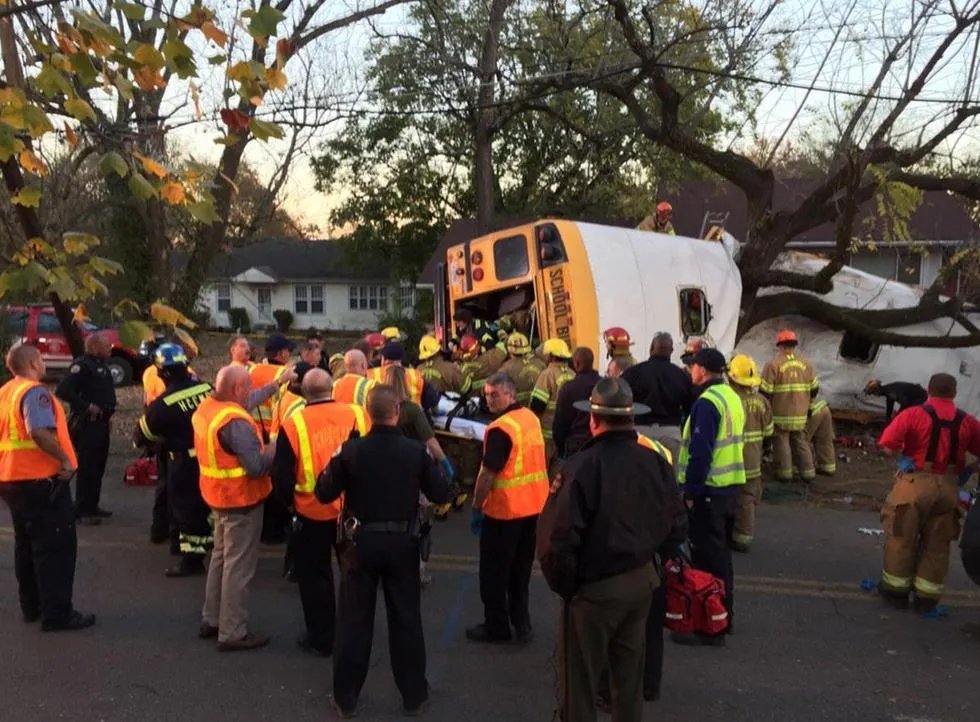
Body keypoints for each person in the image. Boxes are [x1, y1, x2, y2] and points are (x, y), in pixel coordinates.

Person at [538, 377, 686, 722]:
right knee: (628, 682)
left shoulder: (581, 466)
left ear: (593, 420)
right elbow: (677, 525)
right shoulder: (656, 462)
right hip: (641, 583)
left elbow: (556, 541)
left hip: (594, 590)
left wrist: (568, 587)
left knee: (579, 686)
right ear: (631, 418)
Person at [315, 385, 449, 717]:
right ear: (397, 412)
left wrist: (337, 459)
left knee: (353, 622)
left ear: (367, 411)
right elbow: (441, 492)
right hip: (403, 544)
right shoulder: (415, 451)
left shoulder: (351, 450)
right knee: (406, 619)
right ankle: (414, 696)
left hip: (359, 544)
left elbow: (323, 492)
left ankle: (345, 698)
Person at [272, 368, 368, 657]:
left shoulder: (294, 424)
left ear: (304, 392)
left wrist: (289, 506)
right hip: (352, 511)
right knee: (354, 575)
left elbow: (282, 475)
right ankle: (356, 635)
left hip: (311, 512)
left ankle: (322, 639)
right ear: (332, 389)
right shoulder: (358, 414)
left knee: (315, 578)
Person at [0, 344, 94, 632]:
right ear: (32, 363)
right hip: (40, 480)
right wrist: (65, 459)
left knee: (26, 545)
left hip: (12, 479)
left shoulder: (5, 392)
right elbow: (38, 431)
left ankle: (32, 607)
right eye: (40, 359)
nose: (43, 364)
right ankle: (57, 613)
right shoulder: (34, 393)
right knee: (55, 547)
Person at [876, 373, 980, 613]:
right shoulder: (968, 421)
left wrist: (904, 457)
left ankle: (896, 593)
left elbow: (887, 445)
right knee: (938, 543)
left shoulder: (913, 414)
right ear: (954, 393)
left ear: (929, 391)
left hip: (915, 483)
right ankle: (927, 599)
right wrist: (970, 468)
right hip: (949, 488)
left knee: (901, 537)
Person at [193, 365, 275, 651]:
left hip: (217, 497)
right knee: (238, 568)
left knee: (220, 558)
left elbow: (245, 403)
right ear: (237, 389)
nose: (250, 393)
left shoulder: (208, 408)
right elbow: (255, 467)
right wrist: (272, 448)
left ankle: (212, 618)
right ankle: (232, 631)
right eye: (248, 387)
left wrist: (275, 386)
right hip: (241, 501)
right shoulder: (237, 423)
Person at [467, 372, 549, 644]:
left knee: (494, 573)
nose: (489, 400)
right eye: (487, 395)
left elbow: (487, 474)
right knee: (520, 571)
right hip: (532, 509)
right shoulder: (530, 418)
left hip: (504, 512)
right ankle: (521, 622)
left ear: (511, 394)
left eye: (495, 395)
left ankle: (497, 626)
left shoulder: (500, 429)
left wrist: (477, 506)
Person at [675, 348, 745, 645]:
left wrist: (690, 491)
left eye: (693, 366)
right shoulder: (732, 397)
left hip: (708, 492)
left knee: (706, 562)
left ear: (702, 370)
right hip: (729, 489)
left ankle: (710, 627)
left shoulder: (707, 403)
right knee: (721, 558)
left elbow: (700, 453)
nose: (690, 370)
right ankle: (724, 617)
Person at [134, 344, 213, 577]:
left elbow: (140, 437)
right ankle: (211, 546)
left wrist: (161, 442)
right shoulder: (208, 389)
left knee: (187, 511)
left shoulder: (162, 405)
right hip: (212, 459)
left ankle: (192, 561)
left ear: (162, 372)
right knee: (208, 506)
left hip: (184, 464)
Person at [55, 332, 116, 524]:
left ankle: (92, 505)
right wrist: (86, 406)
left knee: (98, 466)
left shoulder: (102, 366)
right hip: (87, 424)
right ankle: (82, 510)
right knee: (88, 467)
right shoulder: (81, 366)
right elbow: (63, 390)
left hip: (101, 423)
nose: (110, 348)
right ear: (95, 347)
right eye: (106, 345)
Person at [622, 331, 694, 461]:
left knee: (640, 471)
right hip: (670, 432)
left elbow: (621, 400)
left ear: (651, 348)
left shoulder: (632, 373)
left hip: (640, 432)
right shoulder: (681, 375)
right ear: (671, 351)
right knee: (670, 472)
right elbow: (690, 407)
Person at [727, 354, 773, 554]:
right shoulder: (762, 402)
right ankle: (742, 536)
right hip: (753, 461)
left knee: (732, 499)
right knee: (746, 499)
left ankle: (738, 538)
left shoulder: (730, 401)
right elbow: (769, 433)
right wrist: (764, 453)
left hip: (730, 462)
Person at [761, 329, 818, 482]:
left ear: (780, 346)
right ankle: (808, 473)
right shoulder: (806, 364)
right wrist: (807, 406)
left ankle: (784, 474)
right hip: (801, 414)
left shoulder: (773, 365)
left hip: (781, 414)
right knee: (800, 441)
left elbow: (765, 392)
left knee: (781, 441)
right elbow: (815, 389)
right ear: (794, 345)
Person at [529, 338, 575, 474]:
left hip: (548, 433)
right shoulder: (572, 374)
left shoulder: (547, 374)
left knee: (544, 469)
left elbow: (537, 405)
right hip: (567, 432)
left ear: (550, 355)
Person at [552, 347, 601, 458]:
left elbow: (559, 424)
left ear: (577, 363)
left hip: (576, 447)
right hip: (600, 444)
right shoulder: (603, 385)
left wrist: (561, 449)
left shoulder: (568, 389)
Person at [367, 343, 438, 410]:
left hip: (380, 417)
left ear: (383, 359)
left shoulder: (370, 374)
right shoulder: (414, 374)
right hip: (412, 416)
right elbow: (432, 400)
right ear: (400, 360)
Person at [499, 332, 542, 405]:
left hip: (519, 408)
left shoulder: (506, 368)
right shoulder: (540, 363)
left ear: (509, 349)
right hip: (538, 408)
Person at [806, 396, 836, 477]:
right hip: (822, 406)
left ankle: (803, 469)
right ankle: (827, 467)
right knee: (824, 441)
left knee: (800, 442)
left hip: (810, 411)